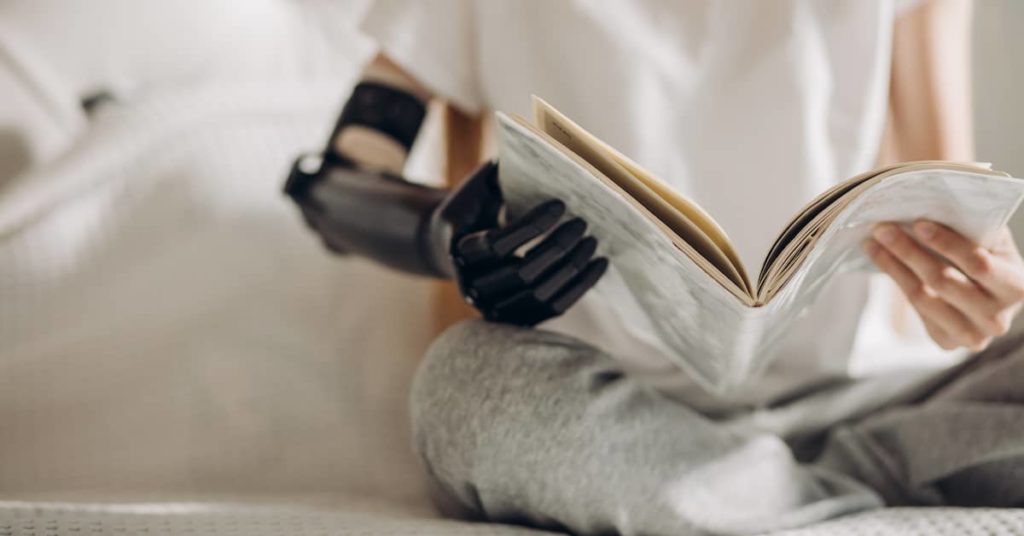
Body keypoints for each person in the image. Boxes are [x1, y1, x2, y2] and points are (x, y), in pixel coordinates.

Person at [285, 0, 1024, 533]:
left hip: (856, 405)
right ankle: (845, 499)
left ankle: (768, 500)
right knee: (466, 390)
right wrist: (444, 234)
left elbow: (950, 207)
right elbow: (335, 178)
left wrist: (975, 293)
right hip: (603, 414)